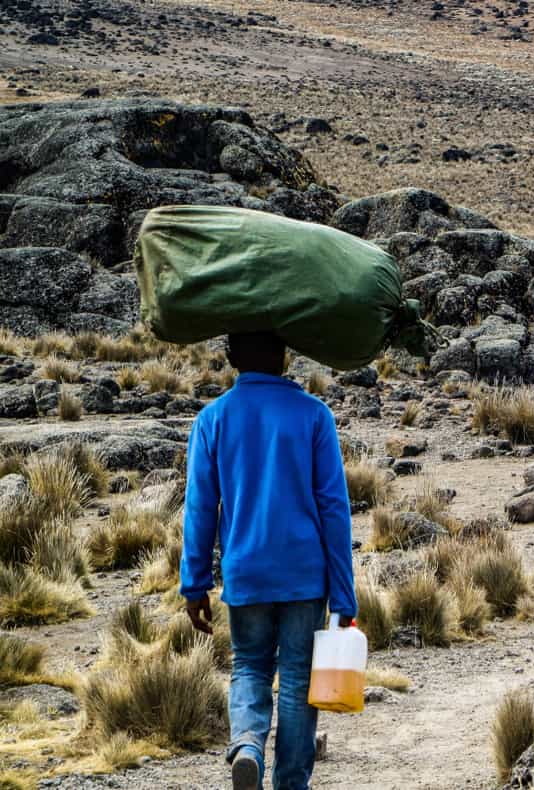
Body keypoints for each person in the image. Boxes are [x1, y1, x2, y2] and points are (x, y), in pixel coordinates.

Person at [183, 332, 357, 790]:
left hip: (246, 572)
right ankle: (291, 783)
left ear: (233, 359)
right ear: (284, 358)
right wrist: (344, 593)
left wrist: (194, 583)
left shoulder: (212, 419)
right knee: (300, 680)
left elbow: (201, 508)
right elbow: (334, 509)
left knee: (249, 666)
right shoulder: (314, 416)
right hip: (305, 575)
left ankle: (247, 745)